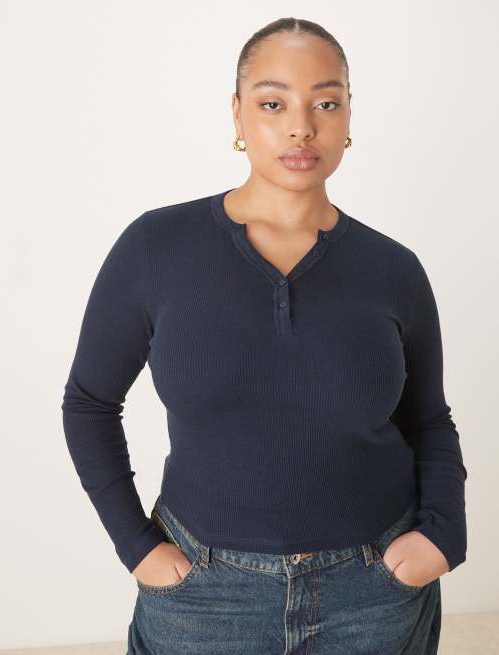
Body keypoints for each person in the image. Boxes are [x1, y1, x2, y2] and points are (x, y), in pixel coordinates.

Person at [61, 17, 467, 654]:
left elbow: (429, 420)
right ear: (238, 114)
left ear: (348, 116)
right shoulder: (157, 248)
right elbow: (89, 402)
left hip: (374, 594)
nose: (301, 127)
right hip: (203, 593)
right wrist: (136, 547)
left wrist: (443, 534)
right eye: (273, 104)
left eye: (325, 103)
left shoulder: (393, 269)